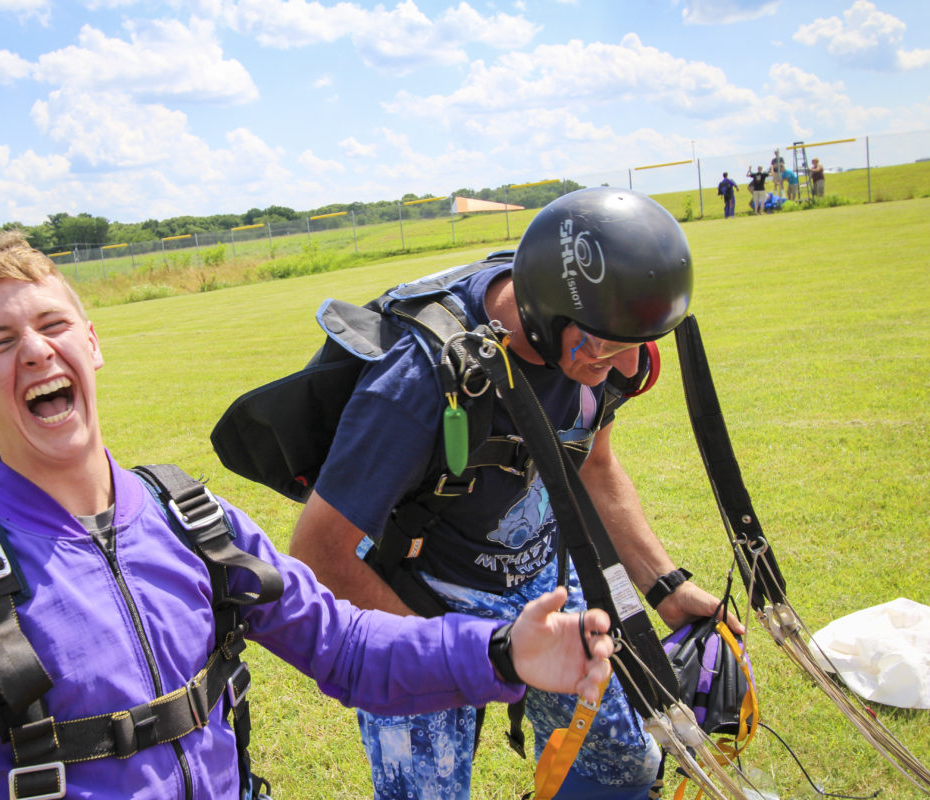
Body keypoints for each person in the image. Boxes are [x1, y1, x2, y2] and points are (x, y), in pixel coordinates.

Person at [0, 232, 614, 799]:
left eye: (51, 325)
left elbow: (344, 646)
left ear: (91, 343)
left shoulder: (195, 524)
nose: (34, 350)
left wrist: (502, 651)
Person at [288, 188, 742, 800]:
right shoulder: (419, 381)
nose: (625, 364)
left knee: (624, 767)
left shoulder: (602, 352)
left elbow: (594, 464)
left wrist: (666, 585)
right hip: (425, 606)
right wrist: (461, 655)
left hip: (547, 583)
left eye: (639, 341)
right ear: (547, 311)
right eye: (608, 342)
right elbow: (319, 552)